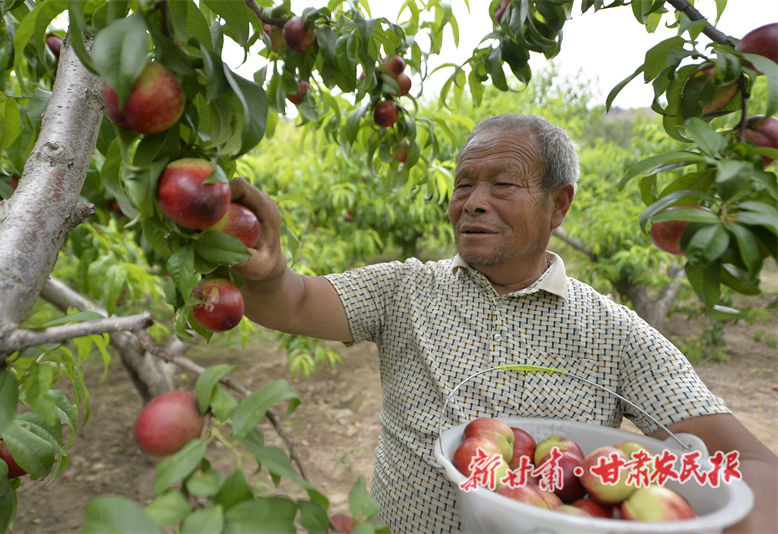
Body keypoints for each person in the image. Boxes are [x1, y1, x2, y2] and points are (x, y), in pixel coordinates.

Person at [230, 114, 777, 533]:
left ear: (558, 206)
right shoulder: (404, 290)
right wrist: (268, 272)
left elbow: (748, 459)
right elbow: (293, 303)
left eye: (503, 185)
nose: (474, 203)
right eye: (464, 185)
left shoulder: (613, 333)